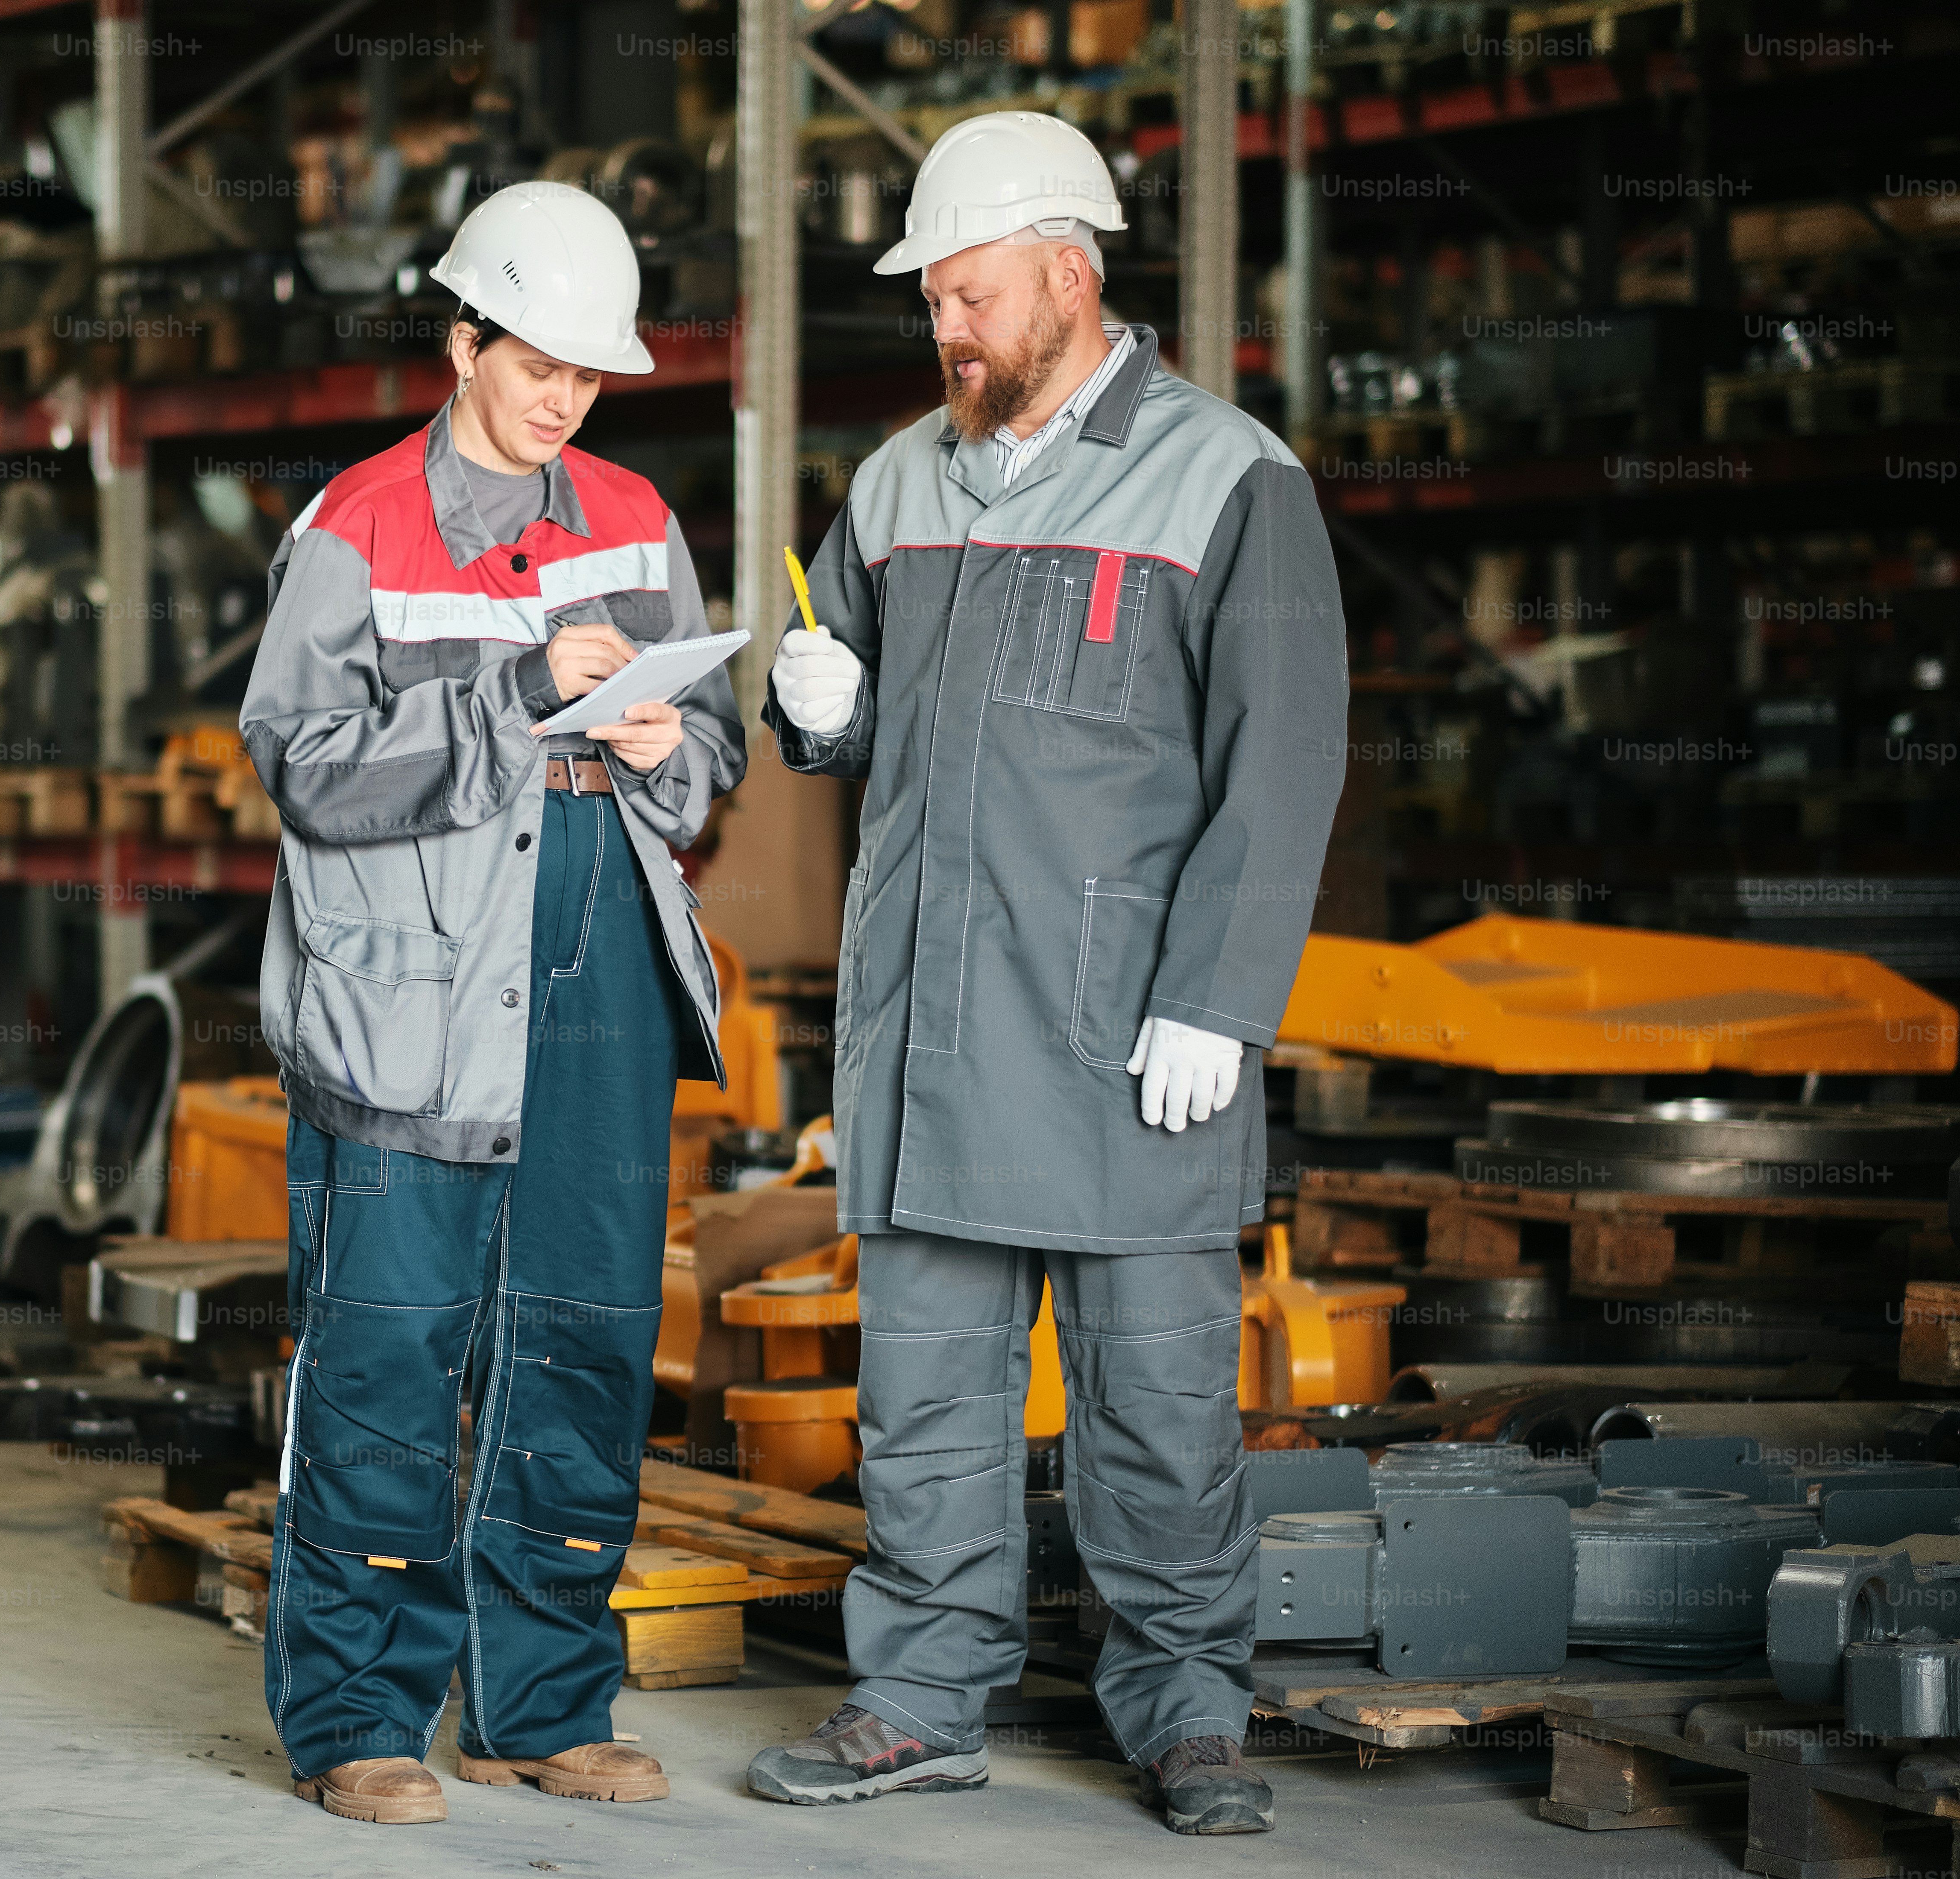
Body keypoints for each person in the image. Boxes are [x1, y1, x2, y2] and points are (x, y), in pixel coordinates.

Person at [743, 111, 1348, 1835]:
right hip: (929, 1025)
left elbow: (1288, 753)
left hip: (1126, 1028)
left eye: (975, 292)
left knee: (1157, 1401)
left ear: (1072, 277)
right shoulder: (895, 479)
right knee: (924, 1398)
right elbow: (839, 710)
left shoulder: (1228, 479)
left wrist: (1223, 999)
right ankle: (922, 1695)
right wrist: (813, 707)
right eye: (934, 296)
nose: (951, 326)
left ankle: (1189, 1713)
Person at [239, 180, 746, 1826]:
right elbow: (304, 768)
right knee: (389, 1362)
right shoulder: (356, 530)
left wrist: (681, 756)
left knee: (582, 1353)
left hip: (602, 984)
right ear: (462, 342)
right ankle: (354, 1719)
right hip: (411, 1009)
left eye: (591, 375)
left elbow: (715, 750)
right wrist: (516, 695)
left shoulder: (636, 518)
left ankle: (541, 1704)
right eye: (538, 362)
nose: (565, 398)